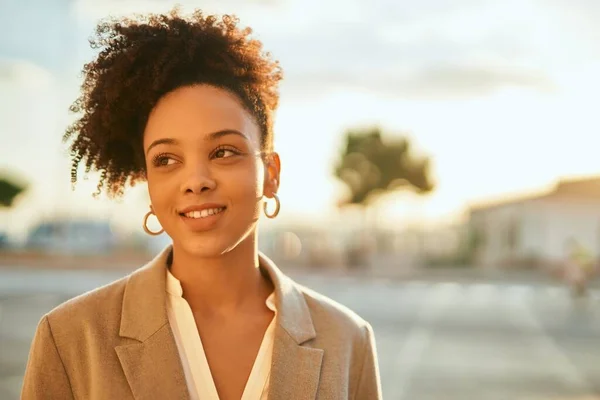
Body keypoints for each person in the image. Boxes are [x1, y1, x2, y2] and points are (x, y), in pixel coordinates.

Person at [20, 8, 382, 400]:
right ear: (148, 182)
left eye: (224, 151)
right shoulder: (70, 338)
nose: (196, 181)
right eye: (166, 160)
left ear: (271, 173)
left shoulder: (349, 341)